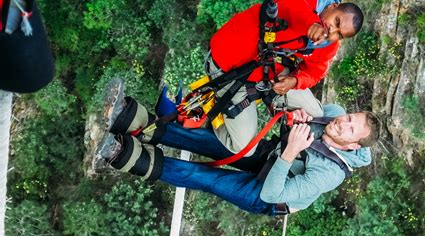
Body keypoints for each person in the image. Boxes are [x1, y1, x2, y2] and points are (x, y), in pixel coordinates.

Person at [95, 79, 380, 216]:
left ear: (353, 146)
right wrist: (296, 118)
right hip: (275, 155)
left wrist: (292, 151)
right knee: (214, 142)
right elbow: (291, 111)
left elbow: (272, 192)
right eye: (350, 117)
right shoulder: (331, 114)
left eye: (350, 129)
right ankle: (131, 120)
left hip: (271, 196)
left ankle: (122, 155)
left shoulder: (329, 175)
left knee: (206, 178)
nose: (343, 122)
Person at [189, 0, 364, 156]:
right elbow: (295, 9)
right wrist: (313, 23)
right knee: (244, 148)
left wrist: (295, 81)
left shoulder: (326, 45)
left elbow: (315, 72)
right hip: (228, 71)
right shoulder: (305, 0)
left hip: (268, 72)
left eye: (339, 33)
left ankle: (286, 133)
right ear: (333, 6)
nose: (332, 30)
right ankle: (215, 116)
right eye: (336, 21)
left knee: (315, 114)